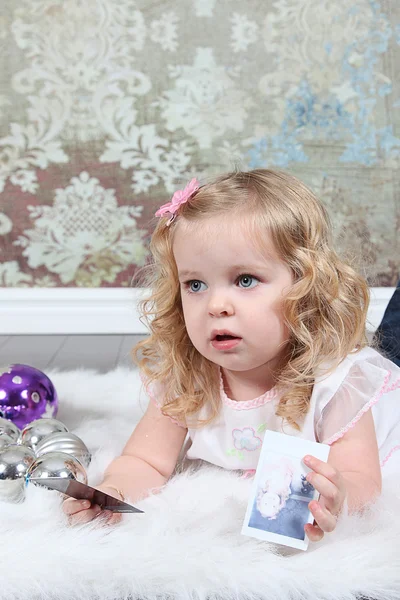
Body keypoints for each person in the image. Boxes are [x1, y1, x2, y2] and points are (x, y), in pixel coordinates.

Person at [63, 169, 400, 542]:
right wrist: (114, 492)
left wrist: (337, 496)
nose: (216, 305)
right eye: (195, 285)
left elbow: (362, 477)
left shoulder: (337, 381)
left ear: (305, 286)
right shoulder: (188, 377)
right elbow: (145, 460)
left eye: (245, 280)